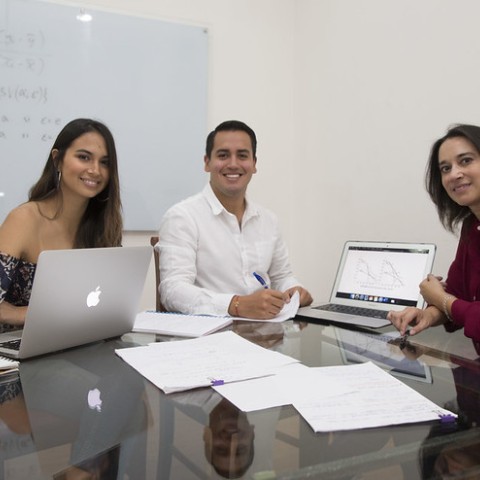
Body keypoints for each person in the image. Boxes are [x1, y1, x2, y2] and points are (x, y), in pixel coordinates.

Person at [158, 120, 312, 319]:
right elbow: (173, 290)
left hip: (265, 334)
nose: (233, 164)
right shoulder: (182, 217)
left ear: (254, 164)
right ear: (207, 162)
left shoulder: (269, 220)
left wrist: (294, 289)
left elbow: (281, 276)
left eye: (242, 155)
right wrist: (236, 304)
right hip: (206, 339)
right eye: (223, 155)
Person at [0, 118, 122, 329]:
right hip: (16, 348)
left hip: (76, 342)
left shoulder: (106, 225)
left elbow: (106, 303)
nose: (95, 170)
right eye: (84, 157)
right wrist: (24, 314)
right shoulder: (24, 219)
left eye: (105, 162)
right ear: (57, 160)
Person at [388, 124, 480, 346]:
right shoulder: (471, 227)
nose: (454, 174)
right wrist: (428, 315)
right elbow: (460, 295)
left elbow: (452, 301)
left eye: (465, 160)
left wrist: (440, 298)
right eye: (445, 168)